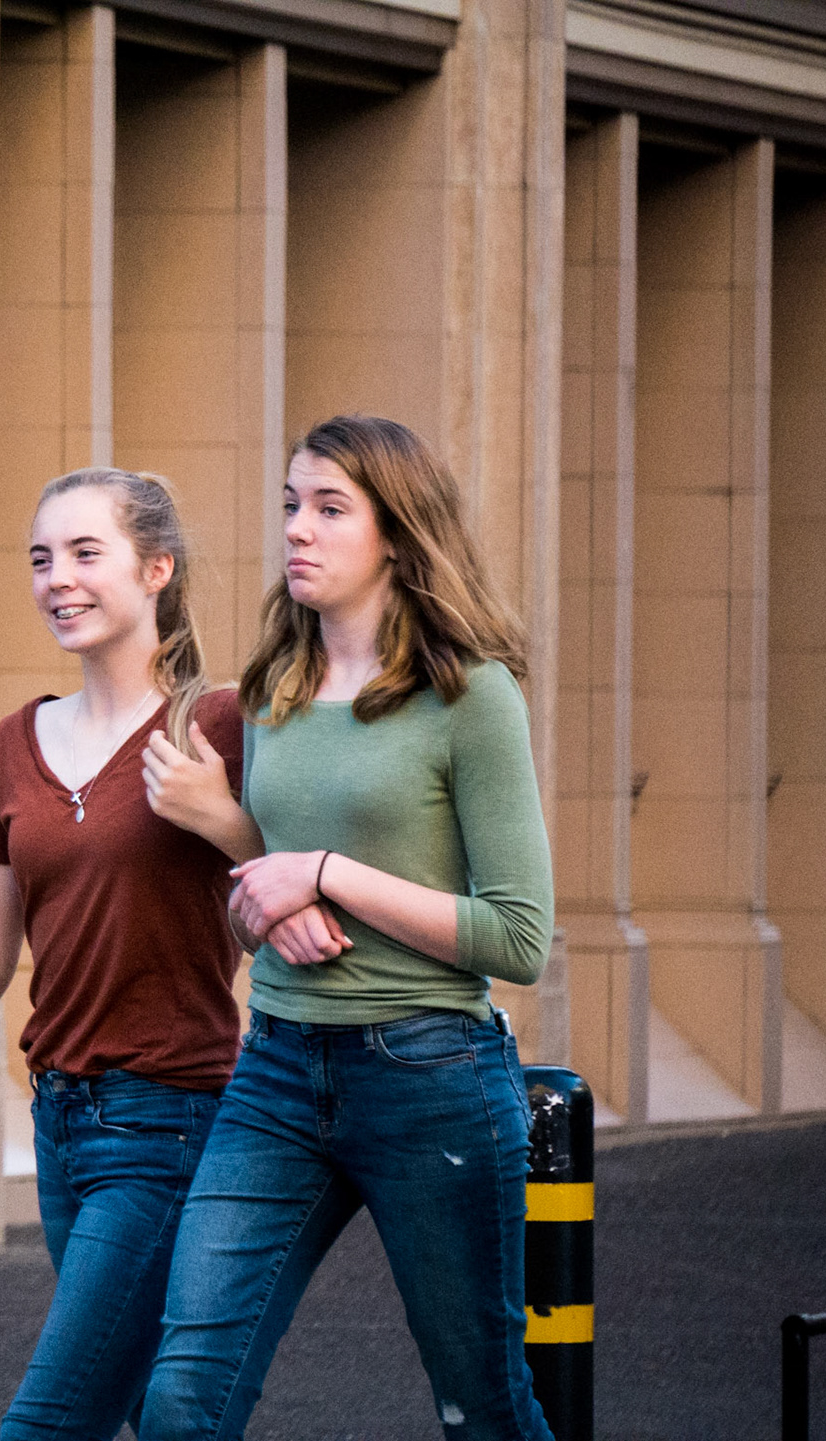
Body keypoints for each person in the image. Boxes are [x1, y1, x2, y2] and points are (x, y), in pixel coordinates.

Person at [138, 415, 554, 1441]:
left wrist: (323, 872)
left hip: (431, 1074)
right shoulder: (271, 690)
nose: (298, 528)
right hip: (277, 1069)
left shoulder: (470, 695)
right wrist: (268, 901)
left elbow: (519, 937)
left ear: (399, 537)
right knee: (182, 1398)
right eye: (291, 504)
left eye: (330, 508)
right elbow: (255, 905)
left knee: (483, 1408)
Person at [0, 467, 262, 1440]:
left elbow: (287, 907)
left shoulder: (220, 726)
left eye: (85, 552)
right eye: (41, 558)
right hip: (62, 1126)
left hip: (169, 1120)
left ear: (157, 568)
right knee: (154, 1414)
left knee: (49, 1421)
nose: (56, 579)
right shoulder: (15, 743)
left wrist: (224, 820)